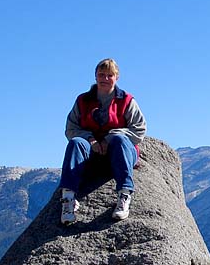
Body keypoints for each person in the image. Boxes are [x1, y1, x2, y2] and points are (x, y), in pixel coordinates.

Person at [59, 58, 146, 225]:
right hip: (92, 154)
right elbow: (71, 129)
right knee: (76, 142)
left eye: (109, 75)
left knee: (120, 139)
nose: (105, 79)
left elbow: (139, 129)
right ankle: (68, 199)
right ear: (95, 76)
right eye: (101, 75)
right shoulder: (83, 101)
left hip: (120, 153)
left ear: (116, 77)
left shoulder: (126, 101)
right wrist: (90, 139)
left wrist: (109, 138)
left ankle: (124, 194)